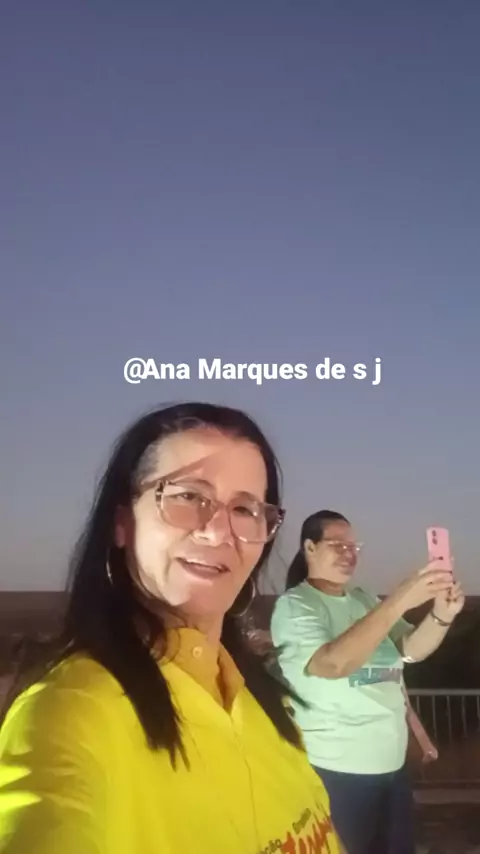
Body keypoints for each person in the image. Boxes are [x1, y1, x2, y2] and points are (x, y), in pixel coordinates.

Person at [0, 404, 344, 854]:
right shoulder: (69, 713)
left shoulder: (260, 700)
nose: (218, 532)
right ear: (122, 523)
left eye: (245, 508)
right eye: (187, 497)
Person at [270, 509, 464, 854]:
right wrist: (399, 600)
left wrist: (441, 616)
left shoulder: (362, 598)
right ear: (310, 548)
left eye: (353, 546)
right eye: (337, 545)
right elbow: (332, 664)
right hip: (337, 771)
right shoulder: (296, 605)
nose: (349, 553)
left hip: (393, 768)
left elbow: (410, 651)